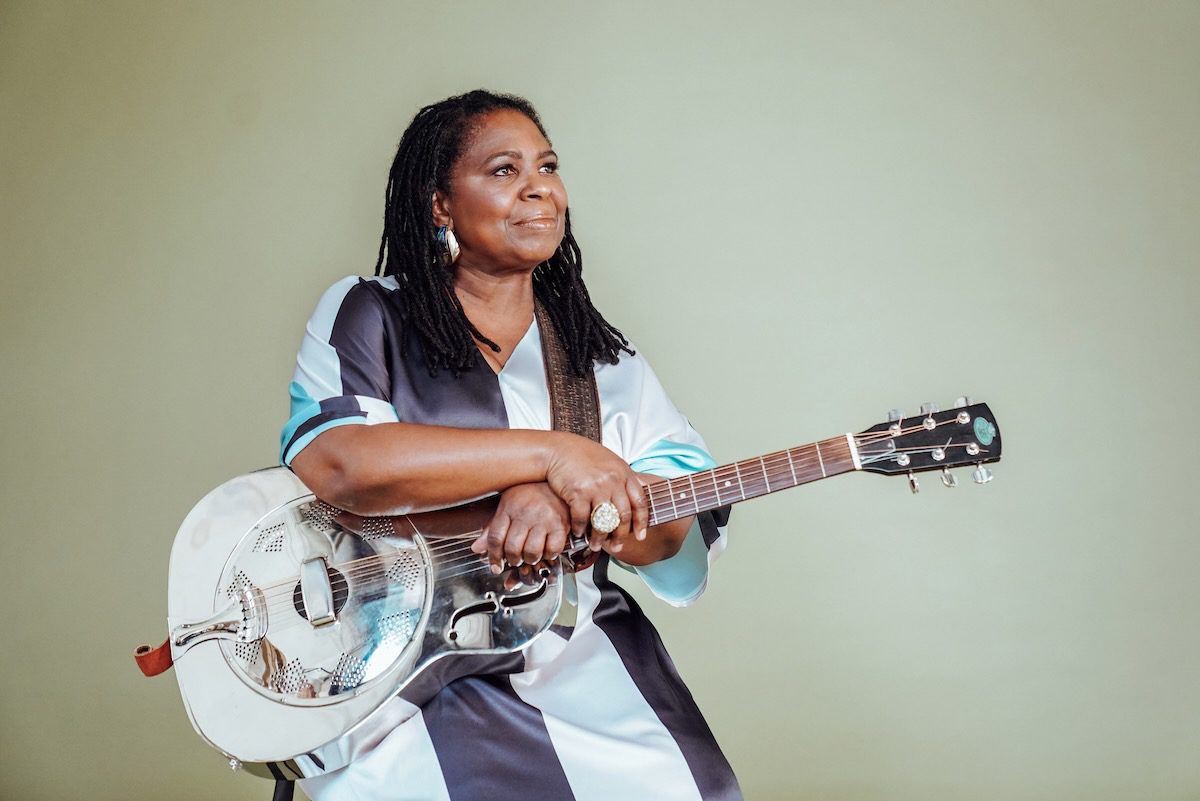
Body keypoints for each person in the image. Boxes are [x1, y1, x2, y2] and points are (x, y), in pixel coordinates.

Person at [280, 89, 741, 801]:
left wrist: (604, 511)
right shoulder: (371, 314)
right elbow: (341, 462)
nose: (538, 187)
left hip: (576, 652)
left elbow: (672, 545)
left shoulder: (603, 360)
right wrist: (549, 460)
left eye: (547, 166)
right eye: (502, 169)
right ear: (439, 204)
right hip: (399, 671)